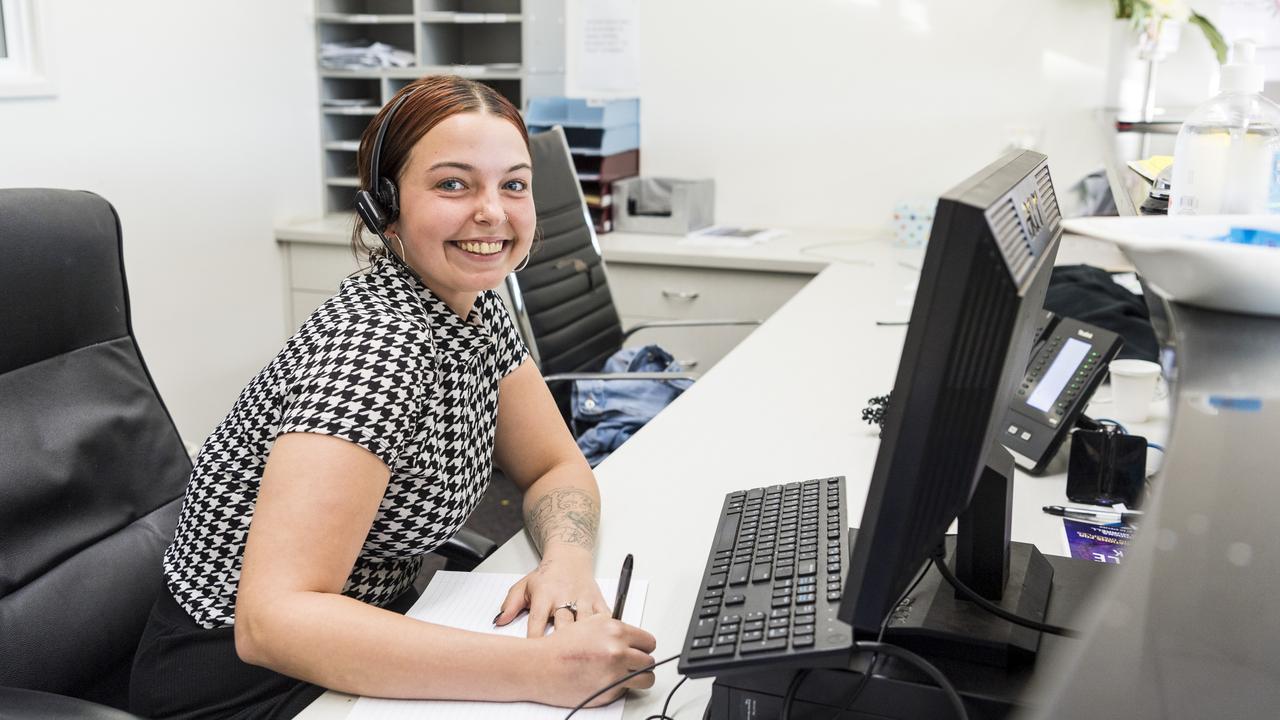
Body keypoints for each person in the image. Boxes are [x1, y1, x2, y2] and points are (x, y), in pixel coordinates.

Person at [129, 75, 656, 719]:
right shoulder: (371, 354)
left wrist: (567, 563)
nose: (492, 211)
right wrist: (540, 669)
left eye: (513, 184)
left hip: (370, 629)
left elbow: (554, 465)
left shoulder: (473, 303)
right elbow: (272, 623)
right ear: (386, 206)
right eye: (453, 184)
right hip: (247, 682)